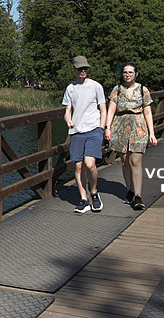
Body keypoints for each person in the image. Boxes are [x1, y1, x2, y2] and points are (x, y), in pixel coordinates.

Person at [105, 62, 157, 210]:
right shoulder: (117, 90)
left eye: (130, 72)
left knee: (136, 160)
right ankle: (129, 190)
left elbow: (147, 112)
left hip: (138, 126)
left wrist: (151, 133)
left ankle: (138, 196)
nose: (127, 75)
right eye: (125, 72)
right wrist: (108, 128)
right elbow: (111, 110)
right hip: (120, 126)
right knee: (125, 161)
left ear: (136, 74)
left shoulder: (142, 90)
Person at [62, 55, 107, 213]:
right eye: (80, 68)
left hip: (93, 129)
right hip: (77, 131)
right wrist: (68, 120)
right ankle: (83, 199)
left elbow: (103, 108)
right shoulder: (71, 88)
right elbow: (68, 110)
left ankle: (94, 192)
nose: (83, 71)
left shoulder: (96, 86)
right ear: (73, 69)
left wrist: (101, 128)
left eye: (85, 69)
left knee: (90, 164)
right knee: (79, 165)